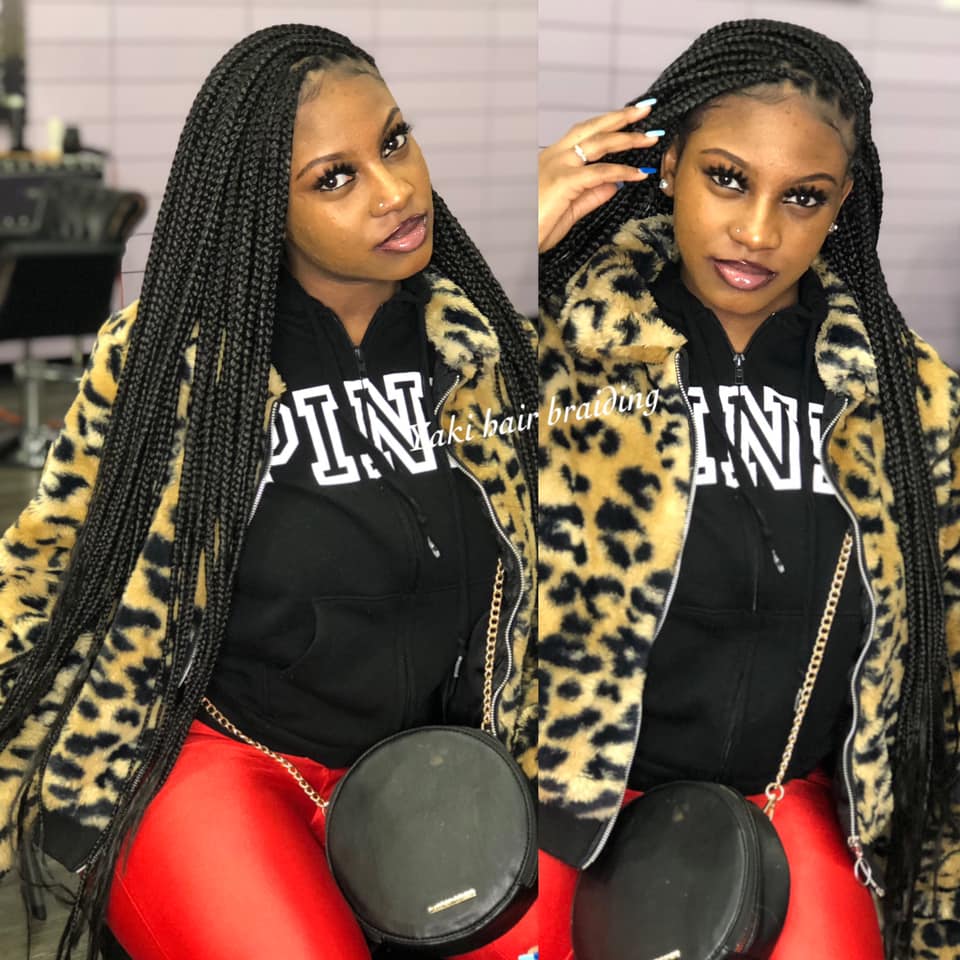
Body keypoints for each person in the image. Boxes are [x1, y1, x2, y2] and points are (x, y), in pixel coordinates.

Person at [0, 24, 538, 960]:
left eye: (395, 141)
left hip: (439, 771)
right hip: (227, 758)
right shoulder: (174, 360)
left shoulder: (488, 354)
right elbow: (48, 564)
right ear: (263, 206)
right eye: (335, 178)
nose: (395, 189)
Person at [538, 18, 959, 960]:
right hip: (565, 806)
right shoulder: (555, 346)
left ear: (842, 203)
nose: (759, 232)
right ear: (668, 164)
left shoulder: (908, 401)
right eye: (727, 178)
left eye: (803, 197)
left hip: (782, 808)